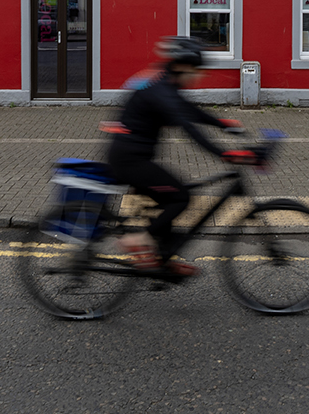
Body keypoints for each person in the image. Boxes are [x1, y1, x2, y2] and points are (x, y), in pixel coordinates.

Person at [107, 37, 250, 276]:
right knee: (180, 197)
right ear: (183, 66)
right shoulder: (161, 89)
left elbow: (187, 110)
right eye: (196, 70)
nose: (199, 76)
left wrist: (223, 123)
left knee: (167, 198)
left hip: (130, 155)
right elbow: (188, 127)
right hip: (130, 160)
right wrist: (224, 153)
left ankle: (163, 258)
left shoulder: (164, 81)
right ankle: (138, 240)